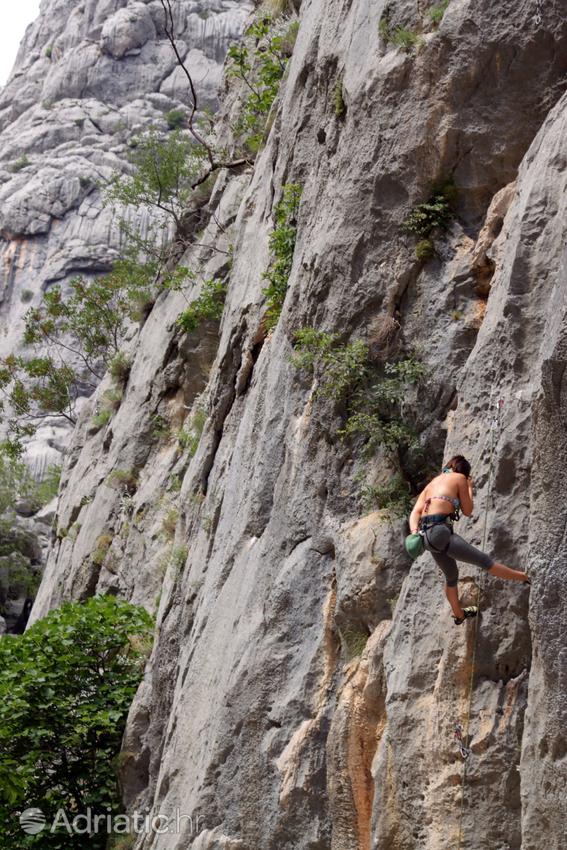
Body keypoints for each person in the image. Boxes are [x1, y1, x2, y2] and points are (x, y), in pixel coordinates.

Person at [408, 455, 530, 625]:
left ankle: (459, 615)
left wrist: (415, 532)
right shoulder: (460, 478)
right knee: (484, 561)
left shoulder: (431, 484)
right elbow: (467, 510)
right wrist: (469, 487)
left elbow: (415, 512)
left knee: (451, 576)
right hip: (440, 532)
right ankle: (525, 577)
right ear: (463, 471)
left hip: (426, 538)